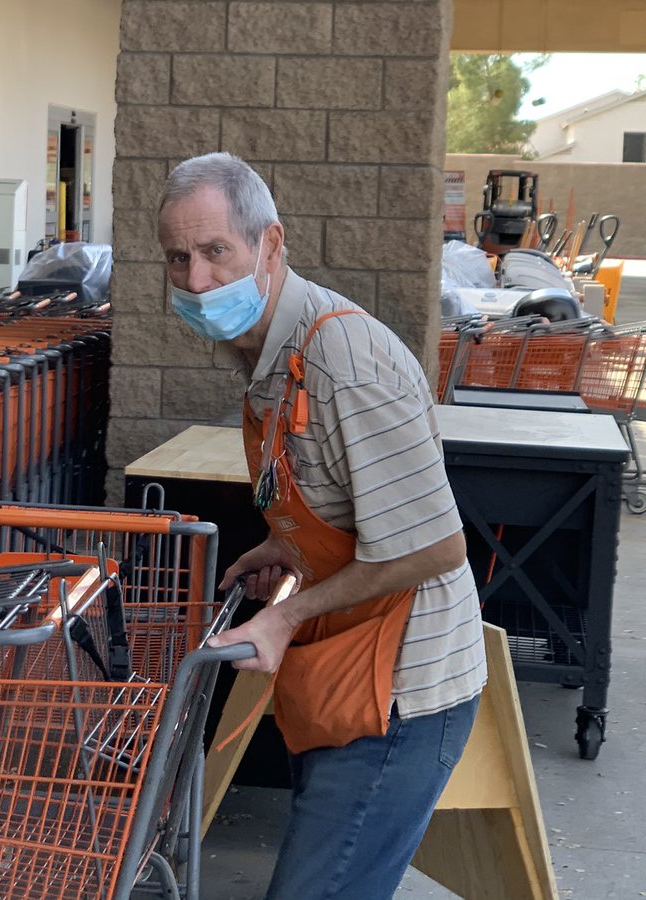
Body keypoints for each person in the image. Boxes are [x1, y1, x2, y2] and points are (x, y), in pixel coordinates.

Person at [156, 152, 487, 900]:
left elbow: (435, 544)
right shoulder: (271, 351)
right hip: (346, 671)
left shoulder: (344, 362)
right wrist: (291, 546)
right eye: (178, 258)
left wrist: (286, 615)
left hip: (401, 693)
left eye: (216, 252)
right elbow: (350, 499)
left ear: (270, 245)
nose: (197, 280)